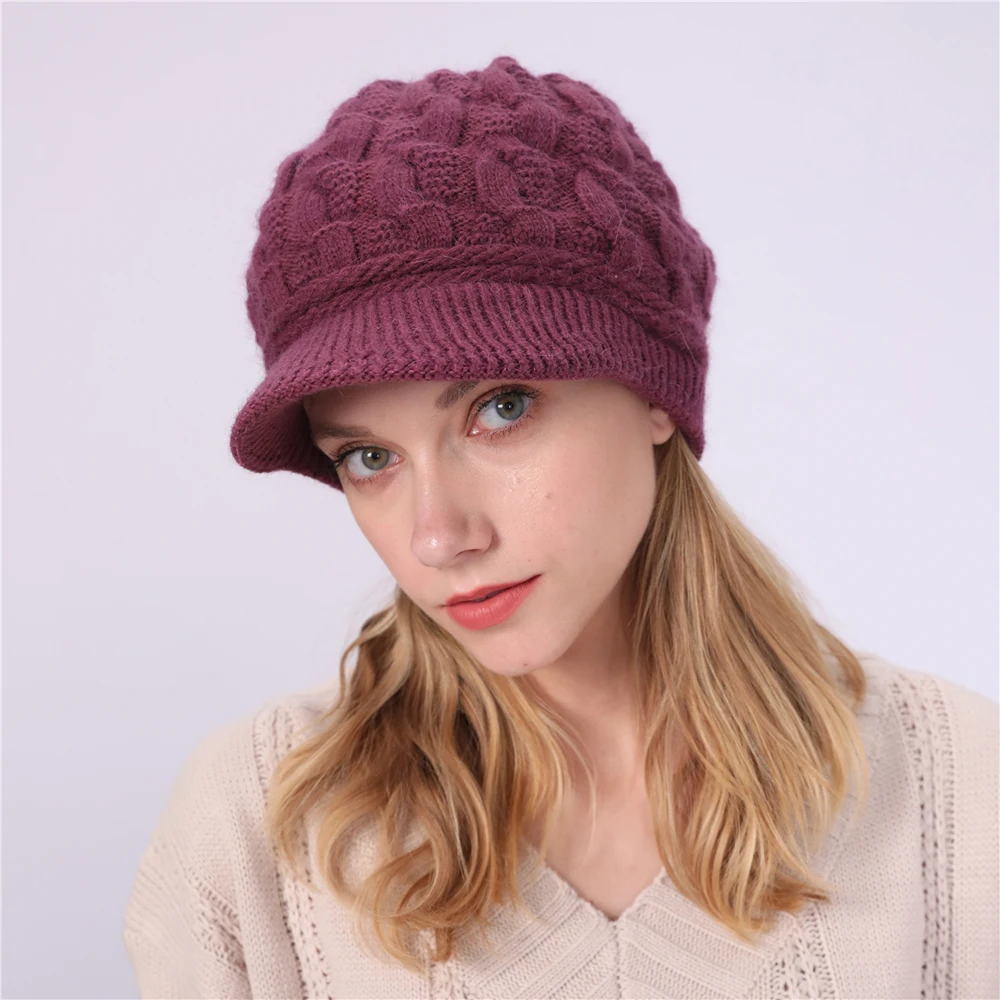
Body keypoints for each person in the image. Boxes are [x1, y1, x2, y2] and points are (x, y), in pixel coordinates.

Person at [121, 55, 999, 1000]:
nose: (438, 537)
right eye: (369, 457)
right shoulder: (260, 827)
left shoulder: (958, 790)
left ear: (654, 391)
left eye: (500, 409)